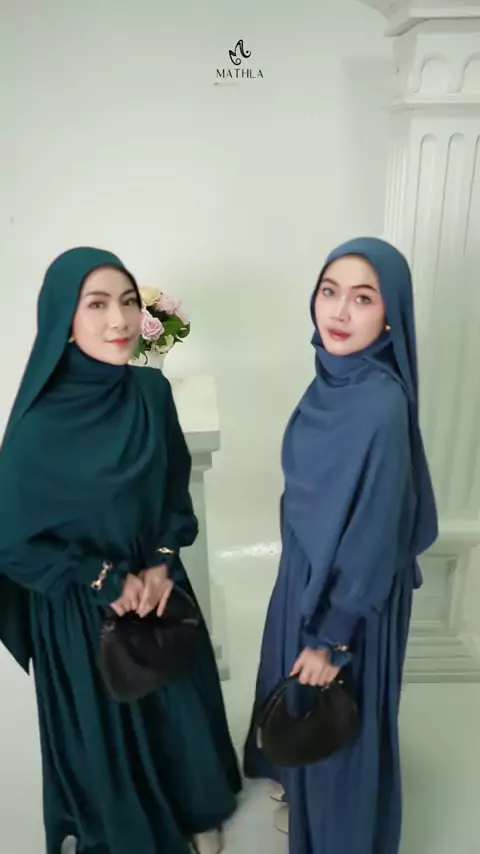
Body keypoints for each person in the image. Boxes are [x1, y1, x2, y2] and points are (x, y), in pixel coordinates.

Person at [0, 248, 241, 854]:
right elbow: (11, 542)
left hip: (157, 587)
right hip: (80, 608)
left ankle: (194, 805)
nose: (120, 320)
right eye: (98, 304)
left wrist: (161, 560)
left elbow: (173, 488)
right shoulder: (36, 429)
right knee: (109, 721)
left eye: (129, 302)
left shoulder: (151, 393)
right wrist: (104, 579)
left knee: (177, 702)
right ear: (64, 320)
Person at [243, 237, 438, 854]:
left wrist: (334, 635)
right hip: (309, 574)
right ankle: (303, 792)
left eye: (363, 298)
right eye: (330, 292)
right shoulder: (333, 378)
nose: (340, 312)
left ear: (391, 316)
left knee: (338, 715)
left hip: (351, 595)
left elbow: (375, 534)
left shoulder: (380, 404)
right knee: (306, 703)